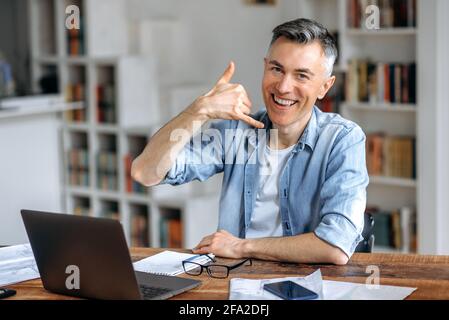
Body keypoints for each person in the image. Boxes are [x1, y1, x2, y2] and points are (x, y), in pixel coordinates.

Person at [131, 18, 368, 265]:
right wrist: (199, 110)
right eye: (277, 69)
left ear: (324, 87)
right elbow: (144, 172)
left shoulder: (342, 140)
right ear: (265, 67)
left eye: (301, 76)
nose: (284, 87)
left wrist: (241, 246)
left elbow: (336, 245)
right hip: (235, 281)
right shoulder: (236, 132)